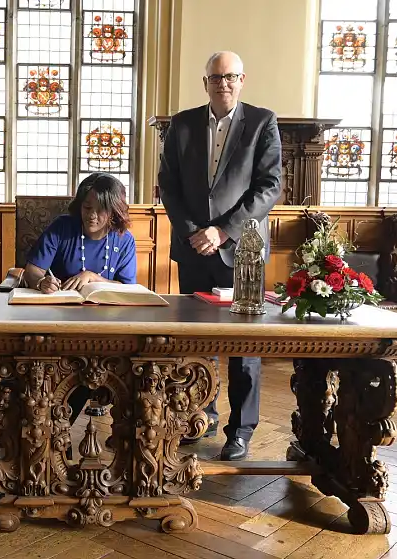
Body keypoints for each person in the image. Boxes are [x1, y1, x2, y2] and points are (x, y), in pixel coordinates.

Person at [157, 51, 282, 461]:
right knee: (197, 342)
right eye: (215, 77)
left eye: (230, 77)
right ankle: (200, 415)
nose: (222, 84)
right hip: (193, 248)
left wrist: (222, 230)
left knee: (244, 345)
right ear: (205, 82)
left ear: (242, 79)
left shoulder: (261, 122)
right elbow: (168, 185)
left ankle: (240, 429)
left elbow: (268, 187)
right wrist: (194, 231)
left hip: (241, 251)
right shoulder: (182, 124)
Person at [24, 172, 137, 428]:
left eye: (100, 210)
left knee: (95, 362)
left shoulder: (124, 240)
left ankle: (58, 428)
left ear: (114, 212)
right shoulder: (63, 227)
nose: (92, 215)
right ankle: (51, 427)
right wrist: (41, 282)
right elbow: (32, 269)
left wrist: (94, 278)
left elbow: (128, 288)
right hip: (58, 319)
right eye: (87, 207)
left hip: (107, 324)